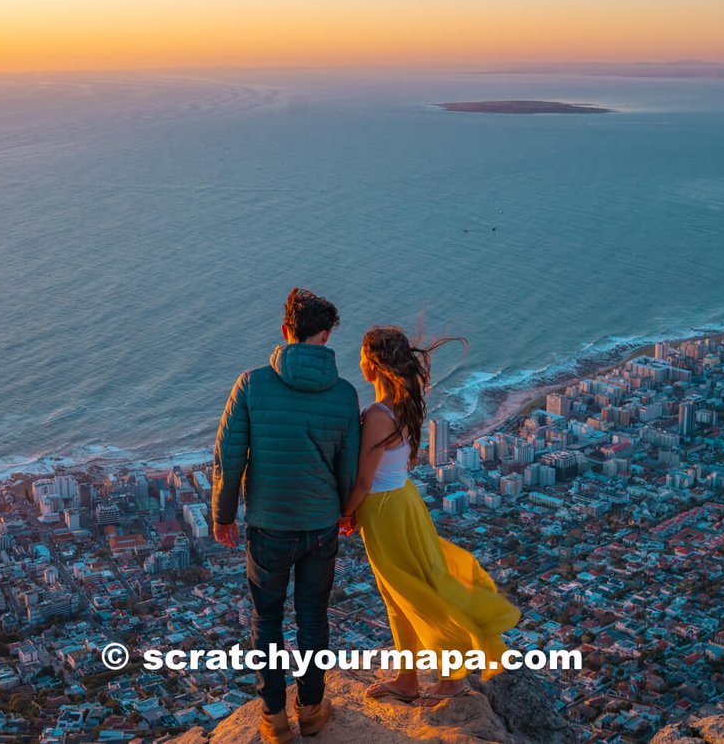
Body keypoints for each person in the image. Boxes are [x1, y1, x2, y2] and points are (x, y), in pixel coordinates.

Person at [340, 325, 520, 706]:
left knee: (407, 595)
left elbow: (363, 480)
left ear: (372, 363)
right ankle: (417, 678)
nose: (357, 361)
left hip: (384, 510)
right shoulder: (406, 402)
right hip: (405, 502)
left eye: (360, 355)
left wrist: (345, 513)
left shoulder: (376, 413)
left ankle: (439, 680)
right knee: (415, 589)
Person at [213, 288, 361, 743]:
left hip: (269, 527)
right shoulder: (343, 395)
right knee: (314, 616)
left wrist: (224, 514)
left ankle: (274, 718)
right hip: (320, 526)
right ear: (329, 334)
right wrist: (347, 512)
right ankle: (313, 708)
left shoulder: (252, 384)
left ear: (285, 332)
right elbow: (348, 464)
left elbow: (229, 454)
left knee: (267, 621)